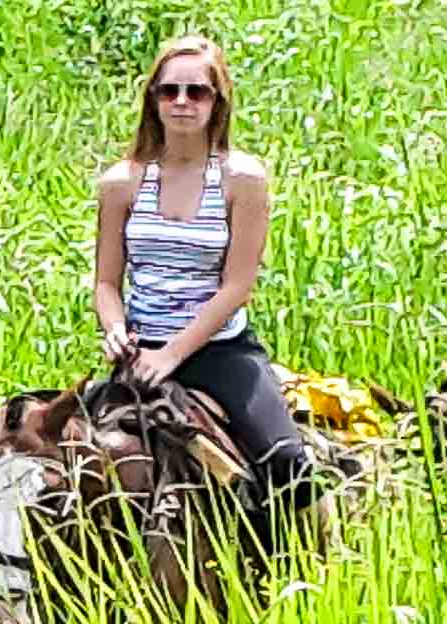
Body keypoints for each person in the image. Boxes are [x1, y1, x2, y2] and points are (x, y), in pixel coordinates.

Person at [91, 33, 322, 503]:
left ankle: (292, 563)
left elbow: (237, 286)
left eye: (197, 91)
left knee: (287, 465)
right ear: (152, 99)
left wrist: (172, 355)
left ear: (217, 102)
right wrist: (115, 329)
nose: (182, 102)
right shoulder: (122, 183)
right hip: (140, 352)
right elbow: (107, 282)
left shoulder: (243, 179)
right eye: (169, 91)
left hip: (219, 350)